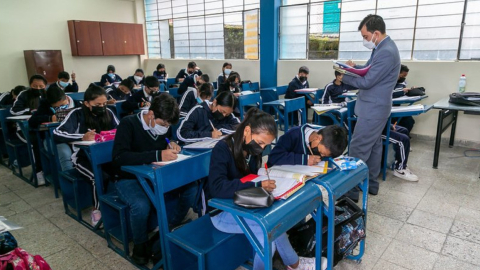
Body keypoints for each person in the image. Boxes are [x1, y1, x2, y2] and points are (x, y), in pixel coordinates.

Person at [205, 108, 326, 270]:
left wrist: (263, 179)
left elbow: (253, 176)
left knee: (274, 222)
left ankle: (294, 264)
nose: (262, 149)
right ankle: (294, 264)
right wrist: (256, 184)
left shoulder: (251, 150)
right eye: (261, 143)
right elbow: (217, 188)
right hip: (222, 212)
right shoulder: (222, 149)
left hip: (245, 204)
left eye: (266, 145)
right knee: (268, 237)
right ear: (247, 131)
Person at [112, 93, 197, 265]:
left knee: (191, 188)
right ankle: (140, 244)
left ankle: (168, 228)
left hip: (155, 174)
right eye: (162, 123)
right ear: (151, 114)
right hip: (128, 178)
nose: (165, 127)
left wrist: (171, 142)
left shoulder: (165, 124)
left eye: (168, 125)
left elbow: (166, 139)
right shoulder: (128, 124)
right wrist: (158, 154)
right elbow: (119, 157)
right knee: (141, 205)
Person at [341, 14, 401, 197]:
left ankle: (350, 191)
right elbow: (367, 69)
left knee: (358, 147)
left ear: (376, 33)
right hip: (374, 107)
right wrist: (352, 67)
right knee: (374, 147)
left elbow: (367, 81)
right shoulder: (381, 48)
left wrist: (344, 77)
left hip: (373, 109)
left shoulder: (386, 51)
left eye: (366, 37)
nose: (365, 41)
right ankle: (371, 184)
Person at [54, 84, 119, 226]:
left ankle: (116, 206)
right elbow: (57, 133)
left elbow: (120, 131)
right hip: (83, 157)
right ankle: (97, 211)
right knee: (99, 177)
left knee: (121, 172)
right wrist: (82, 137)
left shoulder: (109, 112)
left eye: (104, 103)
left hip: (107, 155)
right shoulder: (76, 114)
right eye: (97, 104)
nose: (102, 107)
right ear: (87, 103)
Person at [29, 86, 77, 172]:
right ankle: (70, 180)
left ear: (66, 97)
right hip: (53, 138)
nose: (60, 108)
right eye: (56, 107)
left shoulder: (77, 104)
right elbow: (32, 121)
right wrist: (50, 118)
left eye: (62, 105)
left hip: (73, 136)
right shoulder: (45, 105)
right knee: (65, 153)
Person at [10, 75, 48, 182]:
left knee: (53, 141)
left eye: (41, 86)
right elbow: (13, 111)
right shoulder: (24, 94)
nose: (38, 88)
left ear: (45, 86)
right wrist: (30, 110)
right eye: (34, 86)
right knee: (35, 143)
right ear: (30, 85)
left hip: (43, 127)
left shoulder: (47, 94)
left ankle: (50, 169)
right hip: (24, 128)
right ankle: (38, 172)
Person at [267, 124, 347, 167]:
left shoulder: (326, 141)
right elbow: (273, 158)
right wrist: (304, 159)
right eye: (321, 152)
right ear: (318, 138)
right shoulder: (293, 135)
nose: (321, 156)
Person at [392, 65, 415, 133]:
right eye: (402, 76)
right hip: (386, 109)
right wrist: (403, 91)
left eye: (404, 76)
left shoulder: (401, 81)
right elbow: (390, 93)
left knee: (409, 120)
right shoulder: (387, 80)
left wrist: (411, 91)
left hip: (396, 108)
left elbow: (400, 90)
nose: (403, 78)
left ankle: (403, 137)